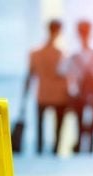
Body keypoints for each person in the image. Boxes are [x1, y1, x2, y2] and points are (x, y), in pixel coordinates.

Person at [62, 20, 93, 154]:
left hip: (79, 94)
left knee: (79, 125)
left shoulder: (73, 56)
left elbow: (63, 73)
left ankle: (79, 148)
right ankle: (90, 151)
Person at [24, 19, 69, 155]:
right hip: (60, 95)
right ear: (59, 32)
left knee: (40, 126)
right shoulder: (61, 54)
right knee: (58, 127)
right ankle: (55, 150)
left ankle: (39, 149)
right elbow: (66, 76)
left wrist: (24, 97)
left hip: (42, 94)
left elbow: (29, 75)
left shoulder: (35, 53)